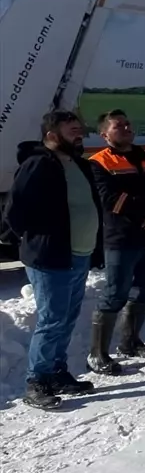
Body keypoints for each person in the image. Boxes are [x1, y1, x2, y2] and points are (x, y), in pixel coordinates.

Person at [2, 111, 102, 409]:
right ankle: (36, 381)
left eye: (80, 129)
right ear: (51, 135)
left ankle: (57, 373)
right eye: (72, 130)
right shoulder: (39, 164)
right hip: (51, 256)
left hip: (79, 254)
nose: (79, 134)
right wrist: (33, 240)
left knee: (67, 317)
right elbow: (14, 210)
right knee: (52, 319)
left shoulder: (79, 164)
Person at [87, 109, 145, 374]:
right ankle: (97, 354)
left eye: (127, 123)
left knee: (144, 291)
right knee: (115, 294)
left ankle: (131, 342)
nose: (126, 128)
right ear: (104, 134)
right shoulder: (99, 162)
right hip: (122, 239)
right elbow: (112, 200)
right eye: (118, 126)